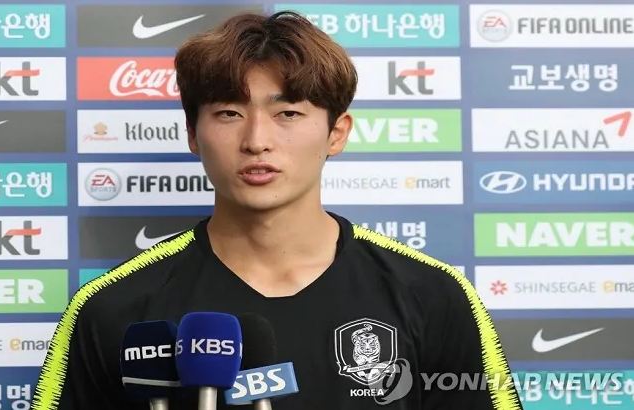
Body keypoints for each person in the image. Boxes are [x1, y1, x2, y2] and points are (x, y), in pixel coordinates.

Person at [31, 11, 522, 410]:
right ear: (192, 134)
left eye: (288, 113)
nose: (257, 140)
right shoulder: (114, 307)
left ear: (336, 133)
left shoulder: (434, 295)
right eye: (229, 113)